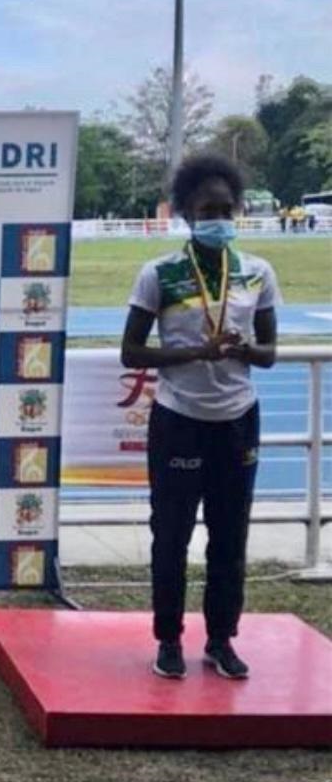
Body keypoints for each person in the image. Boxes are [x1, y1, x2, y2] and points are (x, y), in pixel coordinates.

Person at [120, 154, 278, 681]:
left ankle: (221, 640)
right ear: (186, 214)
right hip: (179, 419)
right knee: (171, 536)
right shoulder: (159, 273)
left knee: (230, 537)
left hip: (237, 420)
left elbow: (270, 352)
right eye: (208, 210)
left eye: (226, 209)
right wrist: (195, 353)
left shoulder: (257, 272)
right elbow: (132, 353)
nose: (220, 219)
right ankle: (168, 640)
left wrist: (242, 347)